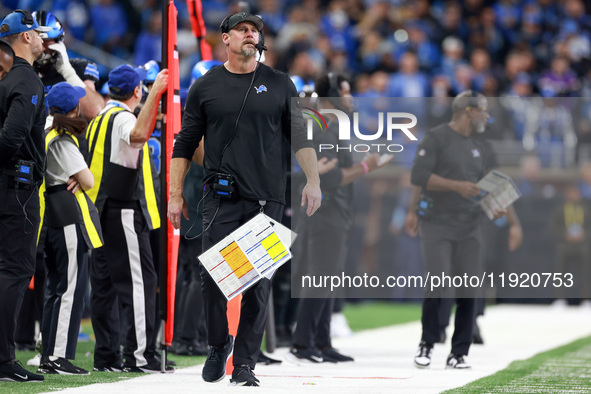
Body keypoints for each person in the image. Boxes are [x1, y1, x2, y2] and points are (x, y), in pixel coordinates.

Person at [168, 12, 321, 387]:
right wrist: (175, 193)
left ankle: (246, 365)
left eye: (255, 30)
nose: (251, 34)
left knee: (258, 282)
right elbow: (185, 143)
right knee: (212, 277)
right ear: (226, 38)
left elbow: (300, 138)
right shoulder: (205, 86)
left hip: (266, 200)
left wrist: (313, 180)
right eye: (243, 29)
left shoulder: (280, 83)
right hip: (219, 198)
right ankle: (219, 344)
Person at [290, 73, 392, 364]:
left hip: (335, 213)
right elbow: (332, 177)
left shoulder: (332, 127)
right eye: (346, 92)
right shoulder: (321, 129)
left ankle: (321, 342)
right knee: (319, 277)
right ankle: (303, 342)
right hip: (324, 213)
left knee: (328, 279)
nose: (350, 99)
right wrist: (366, 166)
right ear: (333, 95)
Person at [410, 91, 506, 370]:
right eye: (484, 111)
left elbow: (480, 186)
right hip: (437, 222)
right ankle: (427, 343)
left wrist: (492, 205)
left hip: (470, 224)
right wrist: (456, 186)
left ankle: (459, 352)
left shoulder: (480, 144)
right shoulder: (437, 137)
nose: (487, 117)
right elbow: (419, 176)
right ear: (468, 111)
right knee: (438, 282)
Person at [85, 64, 169, 373]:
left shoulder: (98, 119)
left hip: (101, 209)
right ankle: (139, 356)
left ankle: (106, 356)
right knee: (138, 283)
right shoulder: (122, 117)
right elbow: (137, 135)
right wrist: (157, 94)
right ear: (137, 91)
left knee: (104, 285)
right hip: (122, 208)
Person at [38, 82, 103, 375]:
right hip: (65, 213)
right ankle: (58, 356)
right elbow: (88, 180)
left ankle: (49, 353)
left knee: (56, 287)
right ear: (73, 109)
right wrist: (79, 176)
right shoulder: (63, 141)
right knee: (70, 288)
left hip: (50, 211)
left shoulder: (46, 130)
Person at [0, 10, 50, 383]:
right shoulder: (26, 80)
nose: (42, 38)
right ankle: (3, 360)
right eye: (36, 32)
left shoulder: (7, 79)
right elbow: (11, 137)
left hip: (8, 187)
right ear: (25, 38)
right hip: (16, 190)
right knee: (15, 270)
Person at [33, 10, 104, 121]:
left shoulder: (78, 68)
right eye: (36, 41)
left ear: (58, 41)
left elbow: (95, 112)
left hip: (68, 136)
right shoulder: (18, 71)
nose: (42, 48)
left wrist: (68, 72)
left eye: (46, 41)